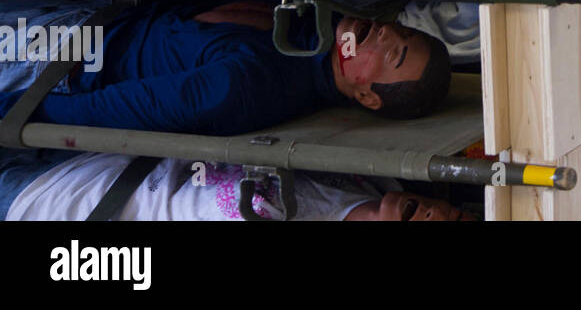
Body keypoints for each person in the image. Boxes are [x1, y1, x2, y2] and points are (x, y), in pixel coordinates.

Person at [0, 0, 450, 134]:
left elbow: (115, 110)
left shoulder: (252, 86)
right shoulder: (315, 20)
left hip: (59, 65)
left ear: (367, 95)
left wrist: (18, 109)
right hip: (81, 17)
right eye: (402, 31)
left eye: (395, 54)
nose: (387, 34)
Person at [0, 148, 468, 221]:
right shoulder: (371, 171)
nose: (437, 216)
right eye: (459, 216)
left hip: (55, 204)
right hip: (92, 149)